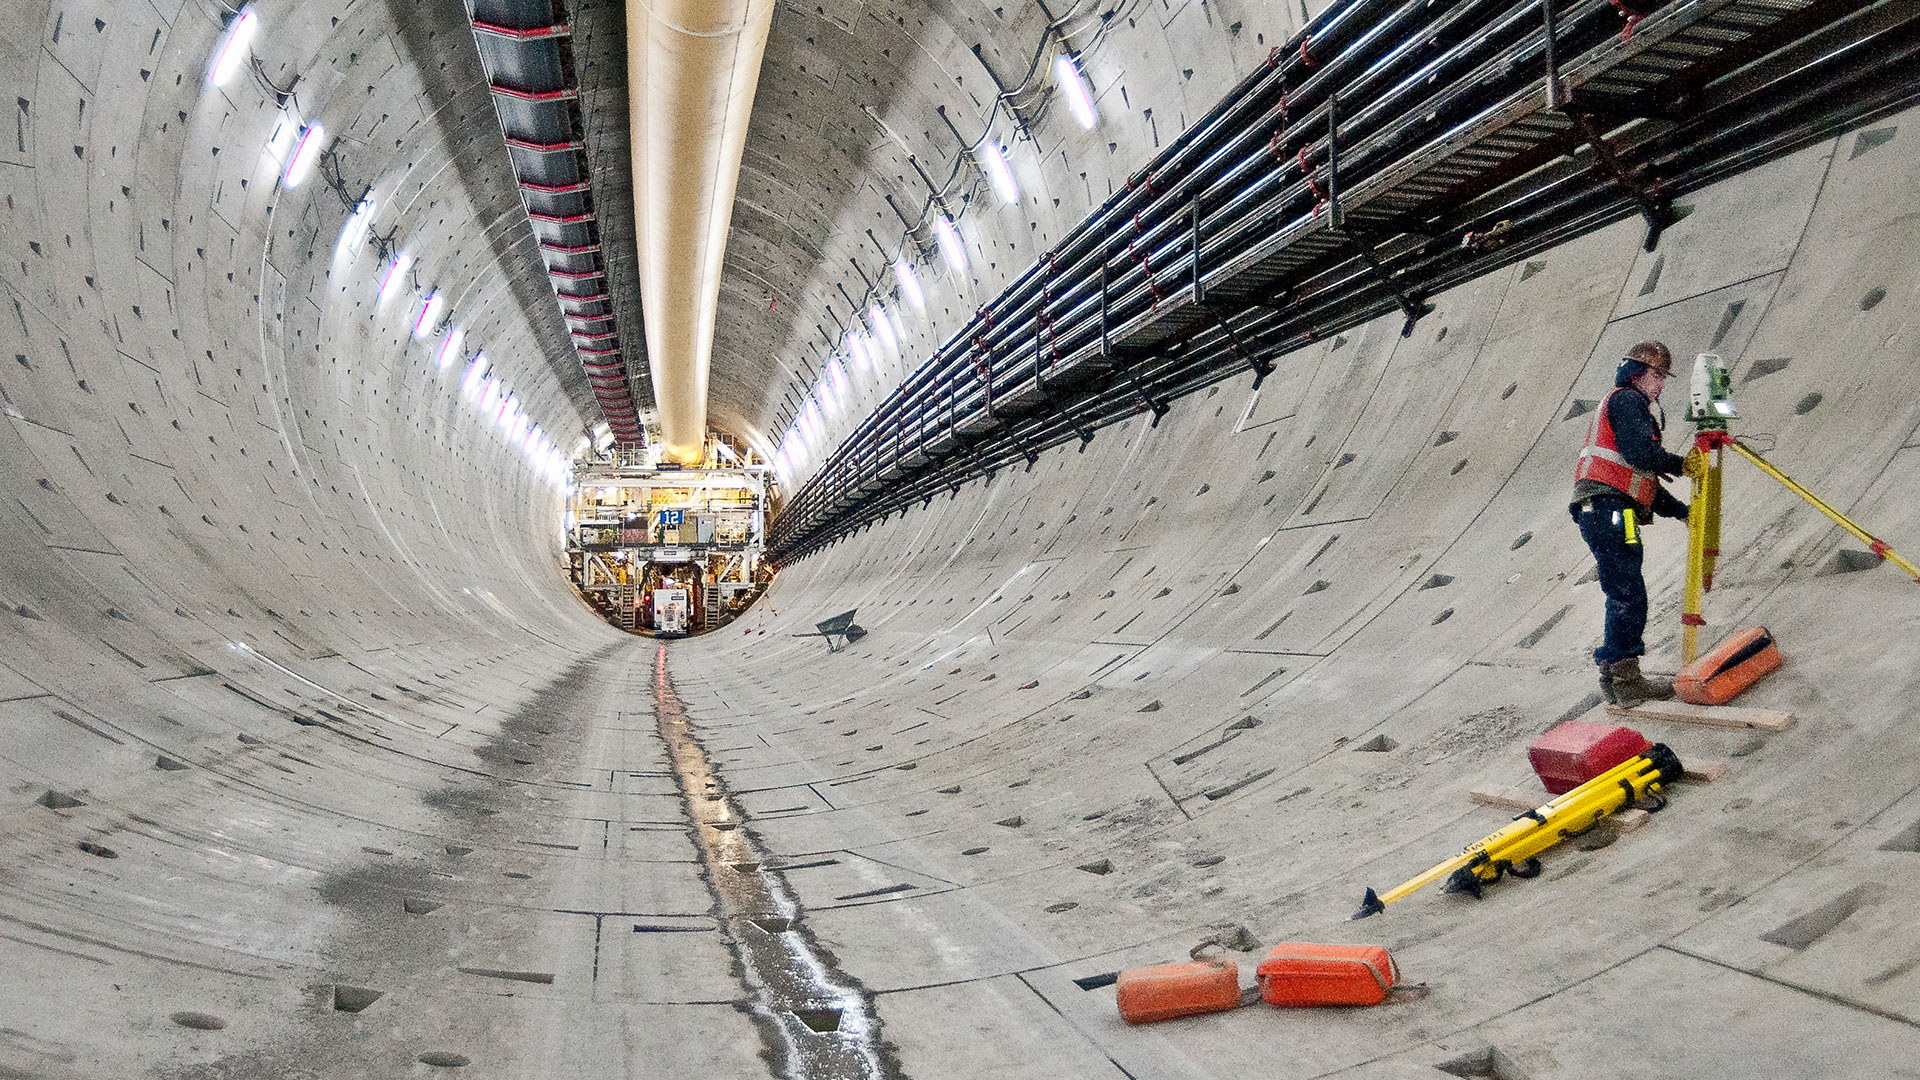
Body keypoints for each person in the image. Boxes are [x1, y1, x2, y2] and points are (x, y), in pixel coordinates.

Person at [1570, 341, 1691, 706]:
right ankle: (1627, 681)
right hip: (1609, 508)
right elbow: (1640, 454)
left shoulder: (1625, 406)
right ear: (1636, 374)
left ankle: (1615, 679)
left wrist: (1681, 511)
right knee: (1628, 592)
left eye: (1664, 377)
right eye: (1657, 375)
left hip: (1603, 508)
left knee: (1622, 590)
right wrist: (1682, 465)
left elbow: (1642, 483)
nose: (1661, 384)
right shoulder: (1627, 400)